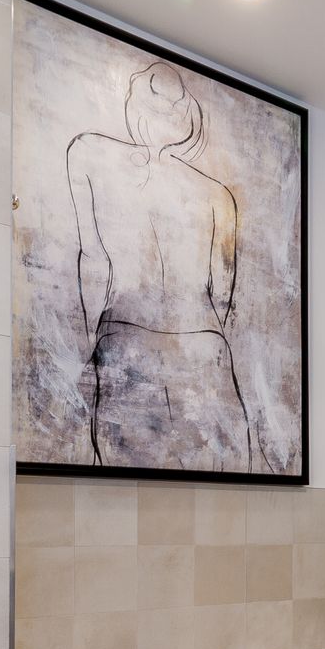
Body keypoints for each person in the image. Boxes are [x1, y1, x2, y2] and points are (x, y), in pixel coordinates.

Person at [65, 62, 254, 470]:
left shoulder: (88, 154)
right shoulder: (218, 195)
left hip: (127, 337)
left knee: (124, 483)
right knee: (218, 482)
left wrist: (91, 340)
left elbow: (93, 262)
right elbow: (222, 294)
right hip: (204, 345)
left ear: (135, 104)